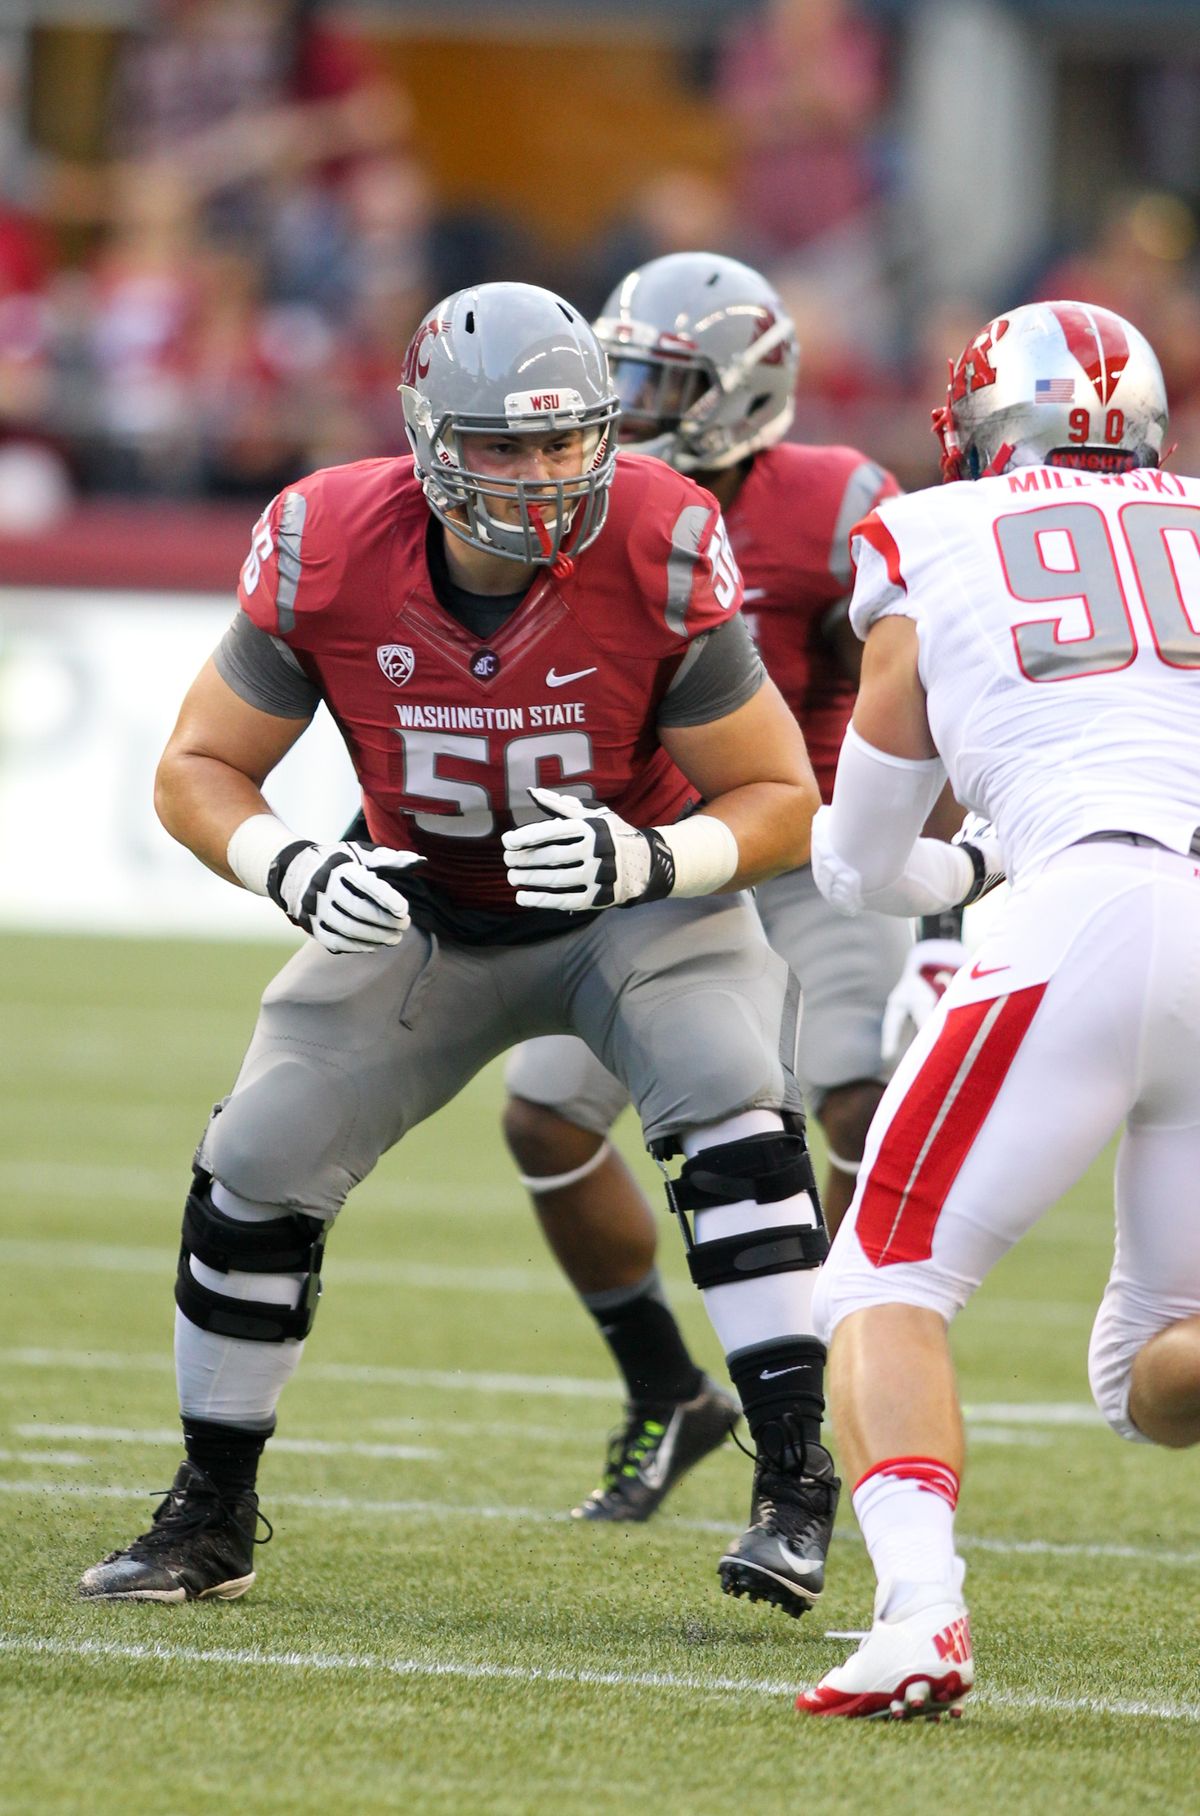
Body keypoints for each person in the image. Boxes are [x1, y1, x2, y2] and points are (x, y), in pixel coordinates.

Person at [77, 279, 829, 1603]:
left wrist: (650, 856)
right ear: (429, 438)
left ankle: (794, 1484)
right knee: (255, 1155)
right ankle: (211, 1512)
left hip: (633, 908)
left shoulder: (656, 531)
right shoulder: (328, 537)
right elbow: (198, 764)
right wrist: (292, 863)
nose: (542, 475)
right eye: (503, 445)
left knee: (731, 1101)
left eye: (564, 439)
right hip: (427, 913)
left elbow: (778, 798)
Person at [499, 252, 976, 1616]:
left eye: (659, 378)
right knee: (543, 1124)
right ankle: (666, 1383)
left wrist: (922, 852)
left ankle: (815, 1409)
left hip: (813, 846)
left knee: (850, 1099)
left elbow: (918, 683)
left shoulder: (836, 504)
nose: (629, 400)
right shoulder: (576, 499)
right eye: (624, 369)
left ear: (741, 390)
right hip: (655, 849)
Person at [794, 299, 1200, 1719]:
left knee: (878, 1277)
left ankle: (920, 1613)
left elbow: (855, 856)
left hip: (1083, 903)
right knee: (1152, 1368)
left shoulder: (933, 530)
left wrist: (960, 864)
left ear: (976, 429)